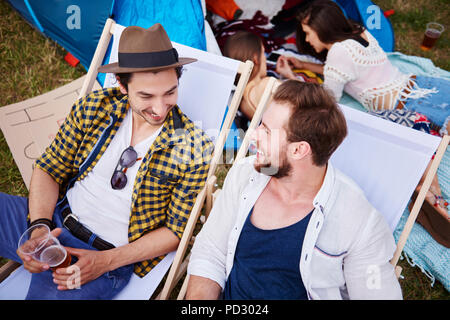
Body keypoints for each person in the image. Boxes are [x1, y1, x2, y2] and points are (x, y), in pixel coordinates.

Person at [0, 23, 213, 299]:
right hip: (55, 219)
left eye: (170, 92)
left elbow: (175, 232)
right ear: (122, 85)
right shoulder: (96, 107)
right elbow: (49, 168)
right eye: (146, 96)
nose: (160, 108)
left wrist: (105, 262)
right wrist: (39, 228)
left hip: (106, 255)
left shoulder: (193, 146)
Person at [186, 80, 403, 300]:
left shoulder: (359, 221)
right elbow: (210, 252)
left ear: (299, 149)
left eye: (267, 131)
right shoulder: (245, 174)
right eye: (260, 123)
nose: (253, 135)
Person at [275, 0, 449, 224]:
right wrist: (304, 65)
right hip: (416, 85)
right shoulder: (359, 32)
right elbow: (341, 70)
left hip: (404, 107)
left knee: (427, 140)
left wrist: (291, 76)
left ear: (321, 29)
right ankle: (431, 197)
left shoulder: (337, 54)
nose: (306, 39)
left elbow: (327, 99)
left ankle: (432, 194)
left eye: (308, 33)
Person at [223, 31, 278, 121]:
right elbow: (303, 99)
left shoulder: (242, 105)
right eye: (263, 53)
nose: (265, 59)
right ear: (256, 58)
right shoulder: (266, 86)